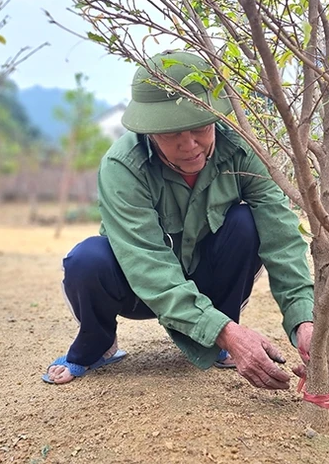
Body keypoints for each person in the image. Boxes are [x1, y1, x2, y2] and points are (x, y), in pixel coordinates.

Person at [43, 50, 315, 390]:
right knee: (86, 259)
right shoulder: (122, 167)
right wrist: (228, 334)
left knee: (246, 223)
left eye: (200, 127)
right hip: (138, 288)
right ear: (149, 130)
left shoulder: (244, 152)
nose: (189, 145)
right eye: (171, 133)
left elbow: (281, 236)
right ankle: (97, 346)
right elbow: (147, 264)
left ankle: (219, 337)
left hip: (207, 279)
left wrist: (304, 320)